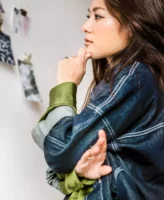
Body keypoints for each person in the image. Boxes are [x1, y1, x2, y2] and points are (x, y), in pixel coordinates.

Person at [31, 0, 164, 199]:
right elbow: (64, 167)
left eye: (98, 16)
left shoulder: (134, 78)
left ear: (133, 23)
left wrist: (66, 85)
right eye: (88, 16)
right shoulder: (137, 78)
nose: (85, 26)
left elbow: (60, 150)